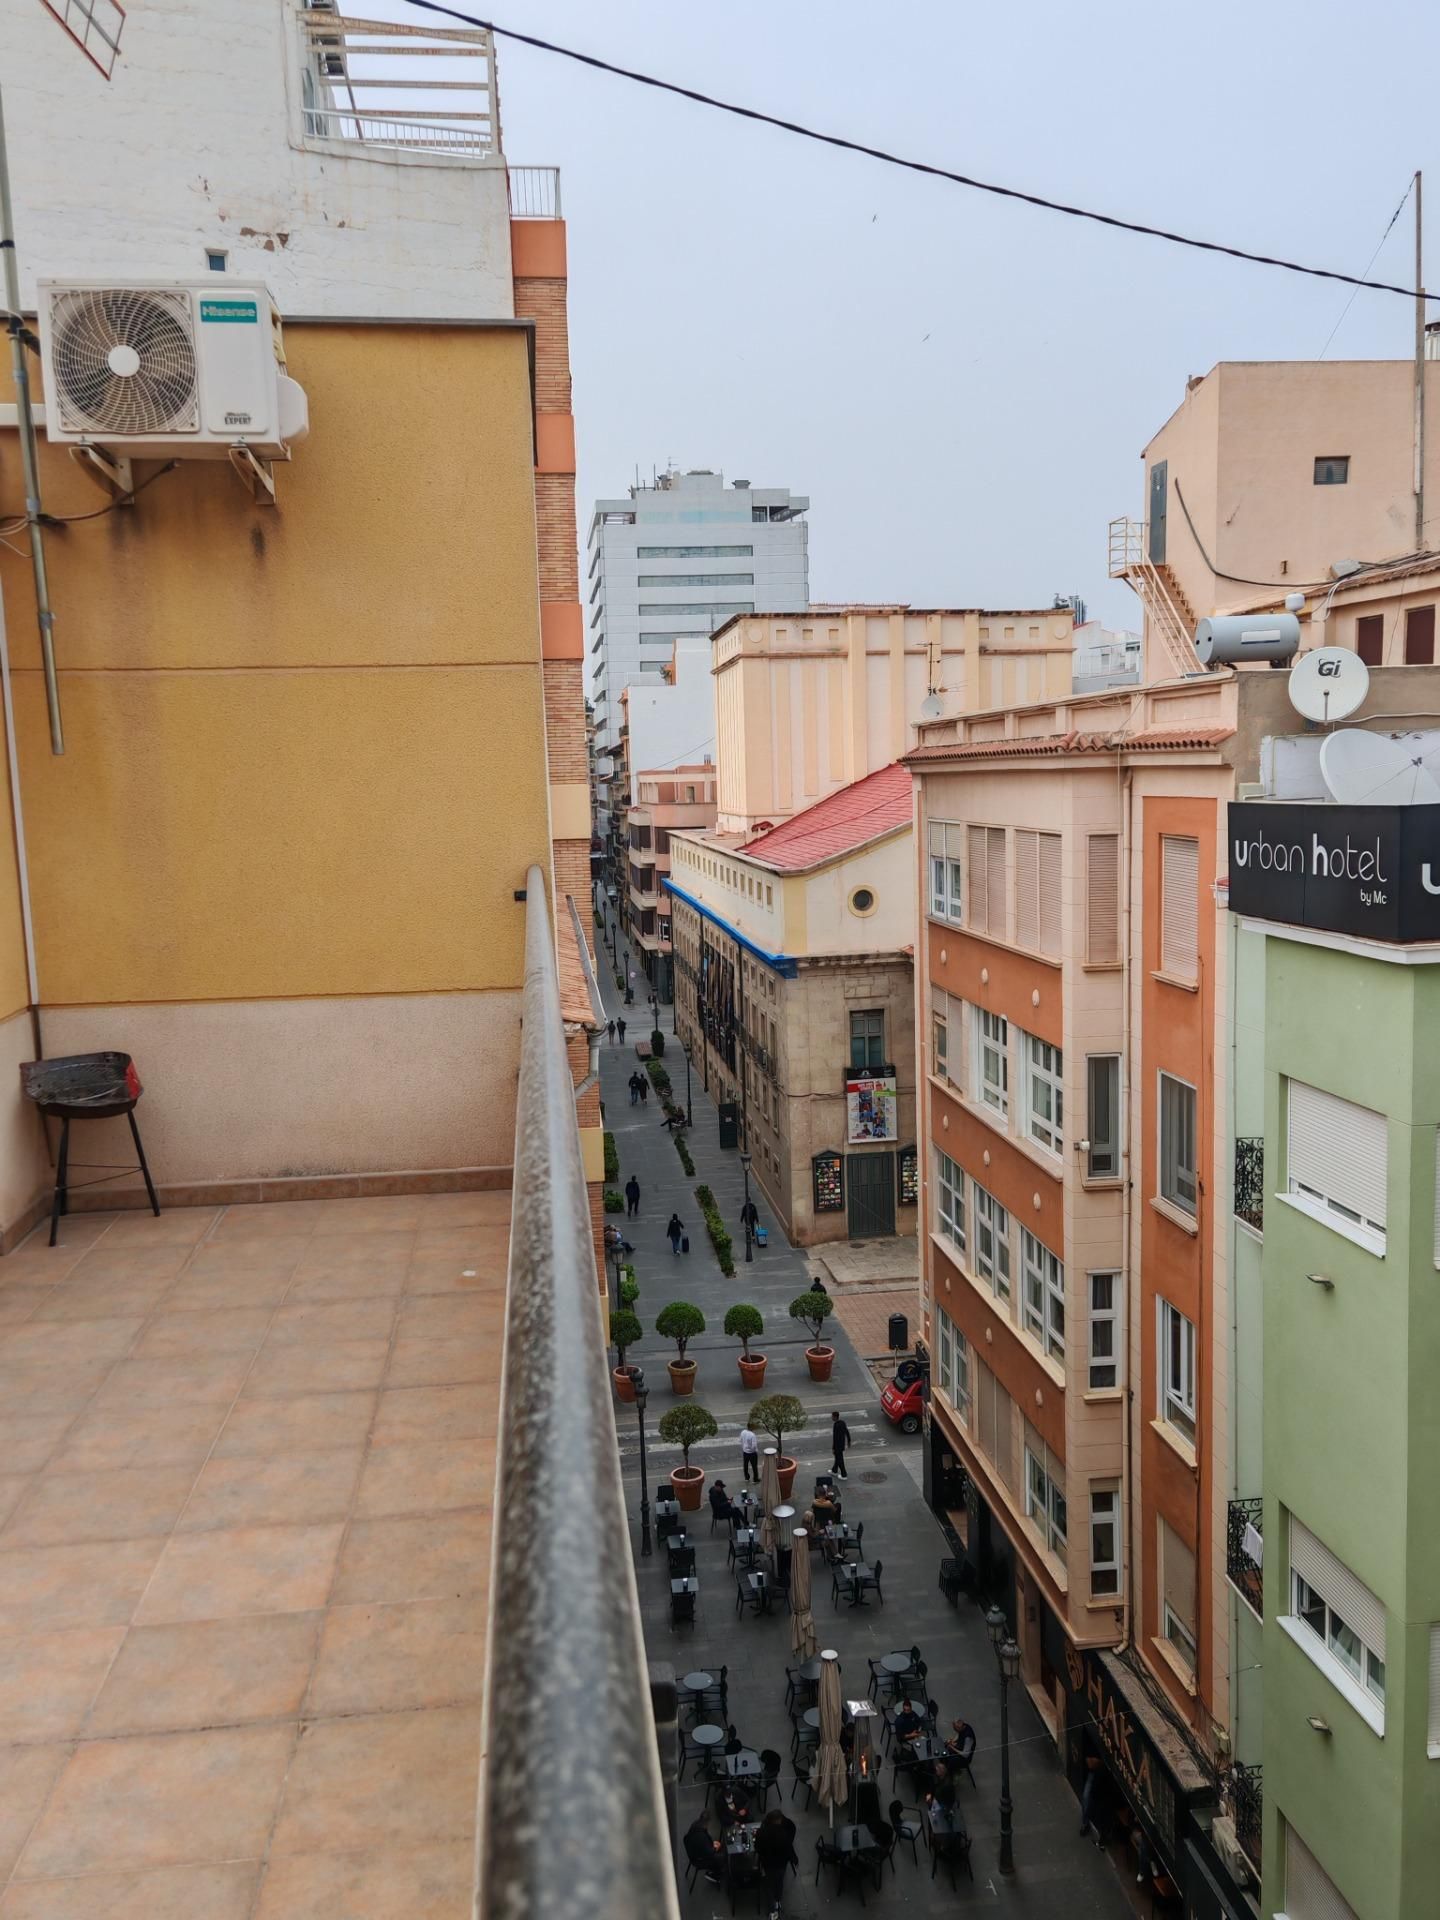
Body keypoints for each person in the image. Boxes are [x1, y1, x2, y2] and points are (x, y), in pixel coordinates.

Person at [755, 1808, 798, 1915]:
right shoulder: (784, 1834)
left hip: (768, 1864)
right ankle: (778, 1900)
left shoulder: (761, 1832)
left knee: (769, 1886)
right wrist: (793, 1859)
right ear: (778, 1820)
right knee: (779, 1883)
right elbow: (789, 1849)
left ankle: (772, 1910)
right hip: (781, 1865)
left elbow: (757, 1848)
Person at [684, 1812, 724, 1886]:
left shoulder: (695, 1825)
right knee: (721, 1857)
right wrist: (715, 1848)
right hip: (699, 1859)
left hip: (694, 1851)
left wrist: (712, 1843)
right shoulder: (701, 1836)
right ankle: (714, 1875)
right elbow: (709, 1853)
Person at [830, 1410, 852, 1479]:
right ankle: (834, 1470)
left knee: (840, 1460)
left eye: (832, 1416)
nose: (831, 1418)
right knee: (838, 1458)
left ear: (835, 1417)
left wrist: (833, 1448)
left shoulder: (836, 1425)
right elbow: (847, 1432)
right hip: (842, 1445)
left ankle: (844, 1474)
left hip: (837, 1446)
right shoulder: (842, 1422)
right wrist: (849, 1441)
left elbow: (835, 1438)